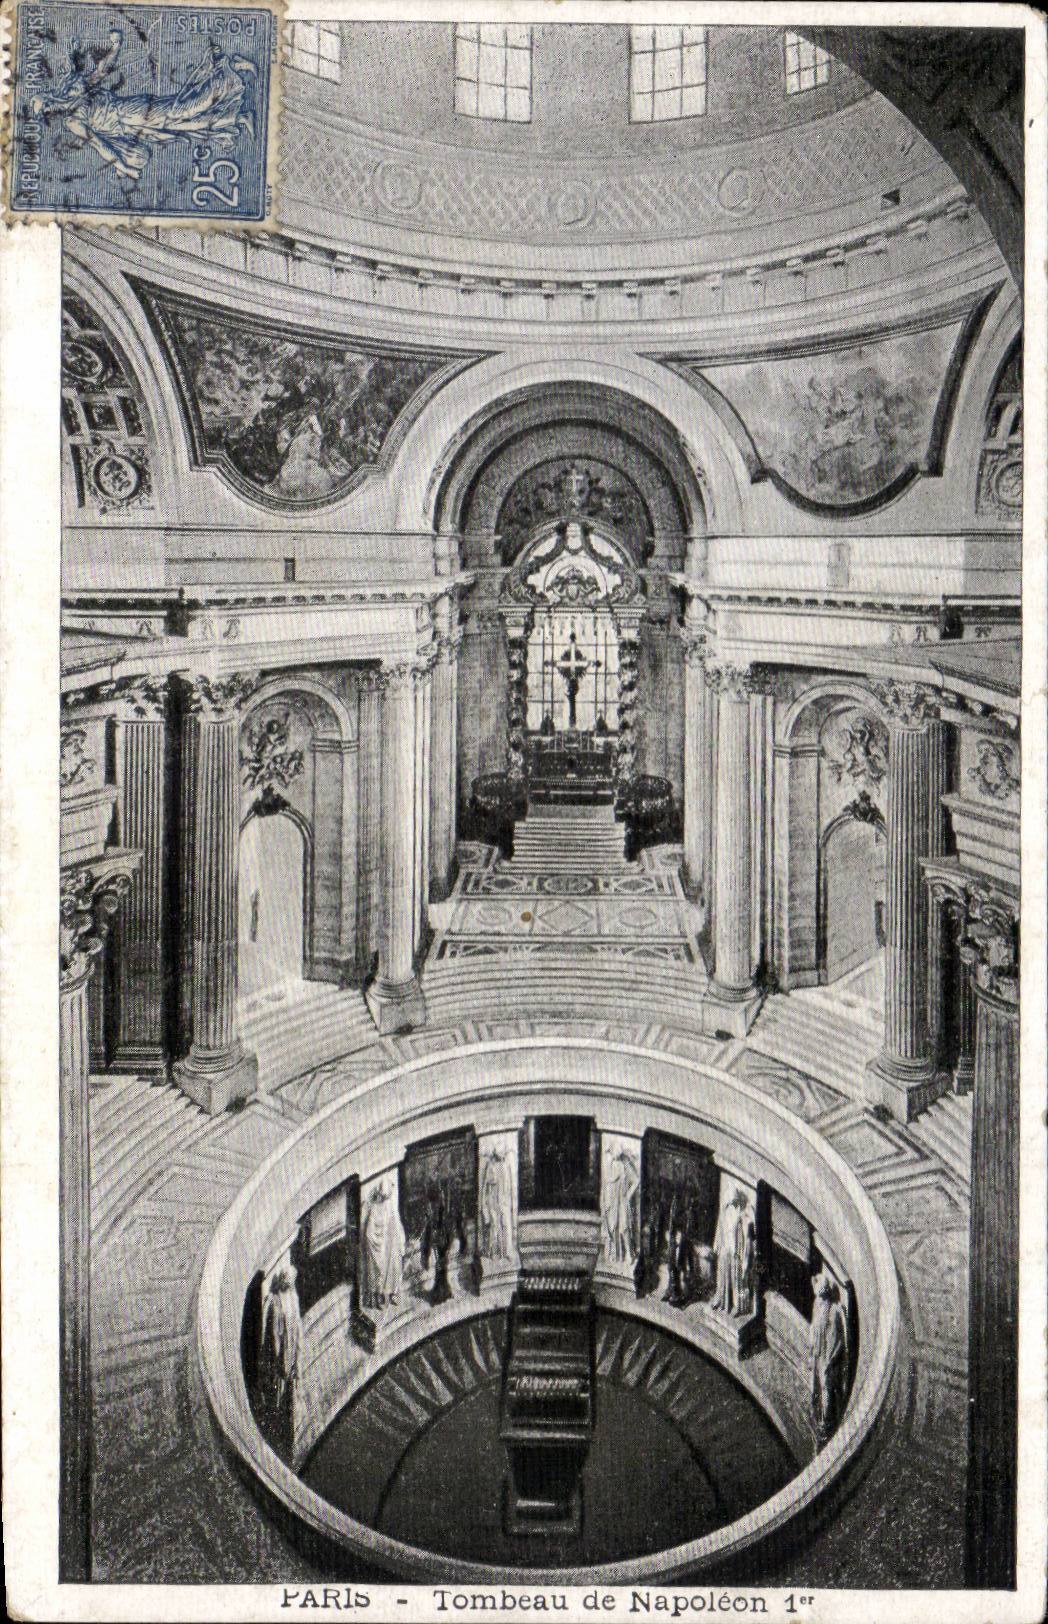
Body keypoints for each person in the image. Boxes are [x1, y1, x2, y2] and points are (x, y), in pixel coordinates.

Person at [32, 32, 257, 185]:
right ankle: (236, 114)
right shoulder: (72, 121)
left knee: (180, 112)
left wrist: (116, 46)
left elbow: (101, 71)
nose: (50, 109)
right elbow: (99, 145)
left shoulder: (73, 88)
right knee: (181, 123)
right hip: (131, 126)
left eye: (47, 104)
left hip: (131, 111)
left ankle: (228, 71)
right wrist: (123, 166)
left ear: (48, 96)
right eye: (47, 112)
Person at [260, 1266, 302, 1451]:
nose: (290, 1283)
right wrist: (279, 1358)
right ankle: (274, 1411)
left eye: (292, 1281)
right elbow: (275, 1335)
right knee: (279, 1383)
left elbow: (298, 1323)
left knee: (287, 1383)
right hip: (282, 1351)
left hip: (292, 1344)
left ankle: (280, 1407)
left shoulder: (293, 1297)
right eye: (288, 1281)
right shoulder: (276, 1304)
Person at [810, 1271, 849, 1442]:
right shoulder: (818, 1305)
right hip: (819, 1354)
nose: (819, 1298)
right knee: (819, 1386)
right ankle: (822, 1419)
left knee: (826, 1387)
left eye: (821, 1294)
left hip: (828, 1358)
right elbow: (813, 1329)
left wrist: (829, 1362)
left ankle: (826, 1423)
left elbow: (837, 1341)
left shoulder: (833, 1313)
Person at [360, 1181, 405, 1310]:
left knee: (393, 1268)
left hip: (389, 1245)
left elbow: (396, 1225)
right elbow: (369, 1232)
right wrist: (376, 1243)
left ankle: (391, 1294)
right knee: (378, 1273)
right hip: (378, 1247)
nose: (384, 1199)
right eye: (382, 1197)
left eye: (385, 1197)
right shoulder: (374, 1208)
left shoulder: (389, 1206)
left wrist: (399, 1242)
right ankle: (379, 1298)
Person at [711, 1187, 756, 1317]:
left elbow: (748, 1230)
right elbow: (720, 1229)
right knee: (723, 1275)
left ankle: (737, 1306)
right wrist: (717, 1245)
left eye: (735, 1201)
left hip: (736, 1251)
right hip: (726, 1247)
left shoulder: (743, 1213)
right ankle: (722, 1301)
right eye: (732, 1201)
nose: (733, 1203)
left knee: (737, 1279)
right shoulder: (725, 1211)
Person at [601, 1147, 640, 1266]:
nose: (613, 1156)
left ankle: (629, 1253)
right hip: (612, 1200)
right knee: (612, 1226)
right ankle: (614, 1253)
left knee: (624, 1227)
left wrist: (628, 1195)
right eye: (612, 1154)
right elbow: (605, 1183)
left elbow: (636, 1180)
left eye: (614, 1154)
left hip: (621, 1200)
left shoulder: (625, 1164)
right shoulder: (608, 1164)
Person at [479, 1148, 514, 1261]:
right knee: (495, 1227)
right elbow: (486, 1187)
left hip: (503, 1201)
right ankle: (494, 1252)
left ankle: (507, 1251)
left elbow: (509, 1187)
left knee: (505, 1225)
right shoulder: (491, 1166)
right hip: (493, 1202)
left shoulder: (505, 1166)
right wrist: (484, 1209)